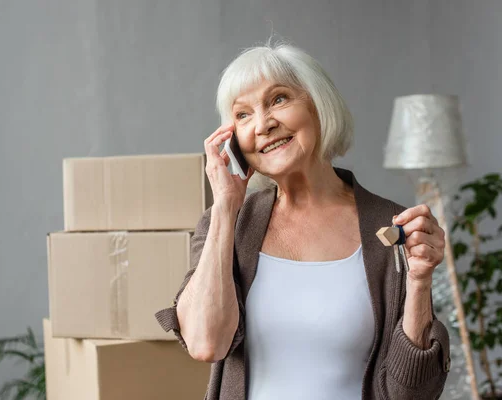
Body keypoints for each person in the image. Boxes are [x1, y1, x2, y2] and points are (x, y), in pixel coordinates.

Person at [155, 42, 450, 400]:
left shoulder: (392, 228)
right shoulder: (227, 225)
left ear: (319, 105)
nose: (263, 124)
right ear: (233, 141)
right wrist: (225, 207)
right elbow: (205, 344)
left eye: (278, 99)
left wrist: (419, 282)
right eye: (243, 115)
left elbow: (412, 395)